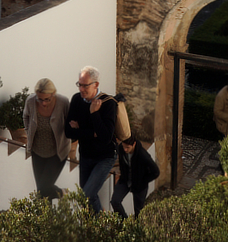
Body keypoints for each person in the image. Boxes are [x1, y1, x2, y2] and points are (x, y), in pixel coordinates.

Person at [65, 65, 117, 213]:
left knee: (86, 195)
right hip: (86, 155)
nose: (81, 89)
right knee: (88, 196)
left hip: (104, 157)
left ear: (96, 85)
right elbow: (68, 132)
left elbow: (106, 137)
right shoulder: (76, 99)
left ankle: (100, 226)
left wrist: (94, 114)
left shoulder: (108, 104)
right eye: (79, 84)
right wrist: (92, 133)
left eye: (85, 85)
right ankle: (95, 229)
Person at [23, 78, 71, 201]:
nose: (43, 103)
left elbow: (70, 122)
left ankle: (62, 193)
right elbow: (26, 116)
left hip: (57, 153)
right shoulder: (31, 101)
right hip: (37, 152)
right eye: (40, 99)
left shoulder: (63, 102)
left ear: (53, 94)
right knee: (42, 193)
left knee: (43, 188)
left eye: (47, 99)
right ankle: (46, 219)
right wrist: (28, 131)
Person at [111, 133, 160, 218]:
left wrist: (143, 180)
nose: (125, 149)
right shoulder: (121, 149)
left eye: (128, 147)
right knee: (115, 201)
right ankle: (125, 222)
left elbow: (156, 171)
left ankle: (137, 228)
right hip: (125, 180)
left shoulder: (142, 155)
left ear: (134, 144)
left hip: (139, 185)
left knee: (138, 211)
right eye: (124, 146)